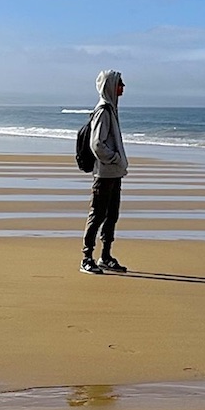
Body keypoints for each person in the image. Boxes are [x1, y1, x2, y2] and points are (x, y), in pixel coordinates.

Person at [80, 70, 128, 274]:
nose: (123, 87)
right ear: (110, 86)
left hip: (114, 173)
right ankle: (86, 258)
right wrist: (114, 158)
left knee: (112, 215)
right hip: (104, 174)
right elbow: (97, 144)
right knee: (97, 215)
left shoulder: (111, 109)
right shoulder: (103, 111)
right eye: (120, 83)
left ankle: (105, 256)